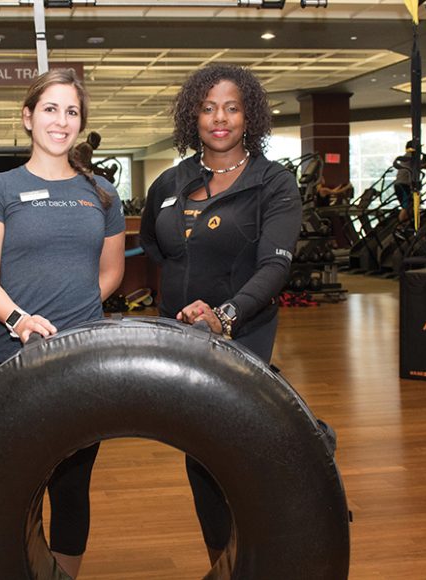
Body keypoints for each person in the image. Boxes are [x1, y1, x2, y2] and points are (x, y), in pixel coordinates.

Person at [139, 64, 302, 565]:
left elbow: (275, 265)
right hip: (181, 338)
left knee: (241, 457)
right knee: (201, 459)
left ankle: (259, 558)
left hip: (241, 337)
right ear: (194, 116)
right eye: (208, 108)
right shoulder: (171, 180)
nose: (220, 118)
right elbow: (156, 248)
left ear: (249, 114)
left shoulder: (272, 183)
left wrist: (224, 314)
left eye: (232, 107)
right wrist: (178, 313)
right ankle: (223, 563)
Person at [0, 68, 126, 579]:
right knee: (6, 483)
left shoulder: (101, 193)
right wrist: (21, 320)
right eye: (51, 109)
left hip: (82, 360)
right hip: (11, 358)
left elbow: (111, 272)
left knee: (72, 487)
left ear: (81, 123)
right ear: (28, 117)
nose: (61, 121)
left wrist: (75, 315)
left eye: (72, 111)